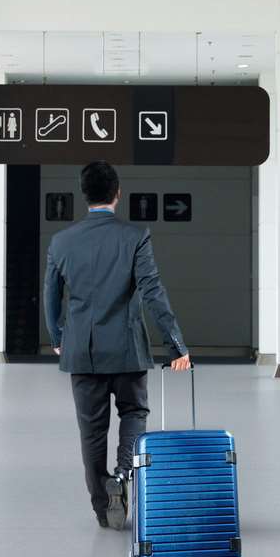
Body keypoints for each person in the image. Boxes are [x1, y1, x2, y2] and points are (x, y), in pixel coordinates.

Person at [43, 161, 192, 531]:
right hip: (126, 349)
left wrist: (59, 338)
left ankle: (101, 505)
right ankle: (123, 476)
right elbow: (152, 292)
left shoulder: (62, 241)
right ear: (117, 193)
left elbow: (50, 295)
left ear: (85, 195)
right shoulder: (135, 236)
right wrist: (176, 345)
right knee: (134, 413)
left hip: (83, 352)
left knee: (91, 431)